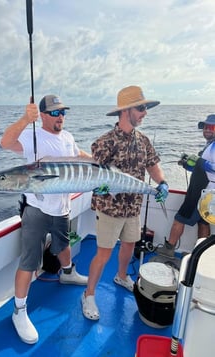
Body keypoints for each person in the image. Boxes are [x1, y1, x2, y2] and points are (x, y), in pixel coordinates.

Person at [0, 95, 90, 344]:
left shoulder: (68, 137)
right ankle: (19, 311)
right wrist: (24, 119)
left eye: (63, 112)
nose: (60, 116)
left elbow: (79, 154)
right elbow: (5, 142)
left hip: (62, 207)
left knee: (63, 245)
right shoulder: (32, 136)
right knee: (30, 261)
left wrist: (100, 165)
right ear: (42, 115)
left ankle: (68, 273)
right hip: (37, 209)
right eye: (54, 112)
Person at [81, 85, 168, 321]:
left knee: (130, 244)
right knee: (104, 253)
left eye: (146, 108)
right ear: (125, 111)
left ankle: (121, 276)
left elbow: (152, 165)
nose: (145, 113)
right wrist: (98, 186)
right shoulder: (104, 142)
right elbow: (93, 175)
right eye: (141, 108)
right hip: (110, 209)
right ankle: (88, 295)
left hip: (133, 207)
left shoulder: (143, 140)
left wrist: (161, 182)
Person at [157, 114, 215, 258]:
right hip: (206, 194)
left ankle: (169, 250)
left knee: (180, 218)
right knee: (203, 223)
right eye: (205, 127)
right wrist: (187, 164)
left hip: (201, 193)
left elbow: (208, 166)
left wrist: (200, 162)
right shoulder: (210, 144)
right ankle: (199, 256)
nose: (207, 130)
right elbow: (202, 168)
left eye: (212, 127)